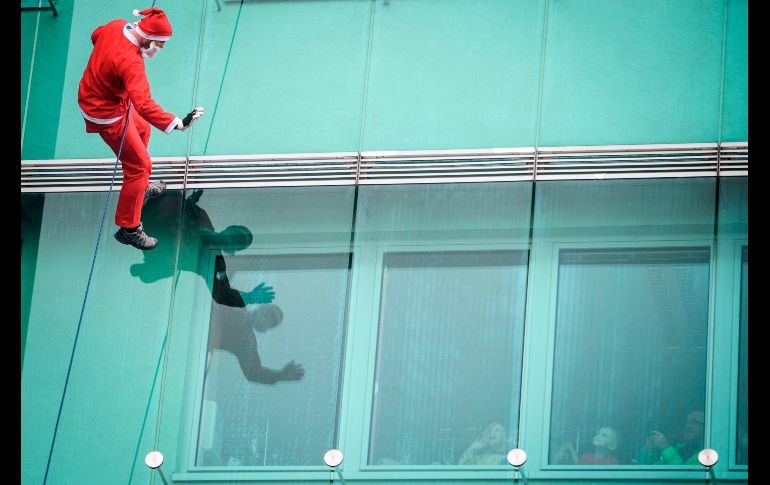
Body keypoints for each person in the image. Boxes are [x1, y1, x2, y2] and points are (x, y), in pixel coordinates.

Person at [77, 7, 204, 250]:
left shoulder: (117, 24)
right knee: (140, 166)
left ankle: (139, 188)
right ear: (148, 38)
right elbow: (144, 104)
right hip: (105, 113)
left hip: (99, 96)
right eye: (160, 44)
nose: (161, 48)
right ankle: (129, 228)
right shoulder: (131, 61)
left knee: (143, 129)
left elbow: (96, 35)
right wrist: (178, 123)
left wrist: (106, 67)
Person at [636, 410, 705, 465]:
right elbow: (651, 472)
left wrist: (665, 448)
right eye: (686, 423)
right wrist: (648, 450)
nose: (688, 426)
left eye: (695, 422)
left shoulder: (708, 455)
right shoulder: (680, 450)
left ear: (707, 425)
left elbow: (682, 477)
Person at [554, 426, 619, 465]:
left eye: (604, 435)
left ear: (612, 445)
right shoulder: (586, 457)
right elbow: (578, 469)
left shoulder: (612, 461)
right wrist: (571, 450)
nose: (598, 436)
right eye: (598, 434)